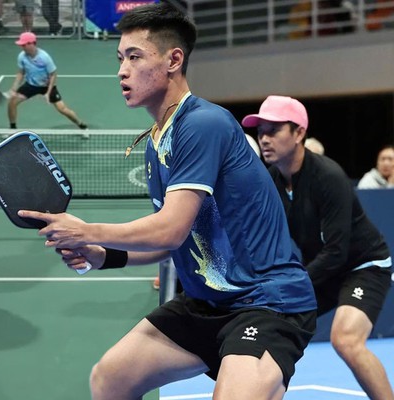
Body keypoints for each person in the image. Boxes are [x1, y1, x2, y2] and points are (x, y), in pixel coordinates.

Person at [18, 4, 318, 399]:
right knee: (110, 378)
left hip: (266, 302)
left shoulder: (203, 123)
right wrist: (102, 255)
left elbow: (170, 229)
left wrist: (86, 230)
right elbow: (173, 242)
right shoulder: (156, 142)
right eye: (120, 58)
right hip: (206, 304)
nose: (122, 70)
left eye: (135, 57)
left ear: (174, 60)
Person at [242, 95, 394, 400]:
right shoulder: (271, 181)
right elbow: (260, 239)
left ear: (299, 133)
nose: (264, 138)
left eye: (274, 130)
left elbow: (337, 251)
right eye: (261, 131)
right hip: (324, 270)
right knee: (273, 333)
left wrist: (290, 285)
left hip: (364, 267)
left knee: (346, 339)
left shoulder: (328, 176)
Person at [7, 32, 88, 135]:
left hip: (47, 86)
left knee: (62, 109)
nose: (22, 47)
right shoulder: (21, 56)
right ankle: (12, 129)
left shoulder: (44, 57)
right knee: (12, 102)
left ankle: (82, 126)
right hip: (31, 85)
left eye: (24, 45)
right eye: (21, 45)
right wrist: (14, 88)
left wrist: (48, 93)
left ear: (32, 43)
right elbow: (21, 72)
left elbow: (53, 74)